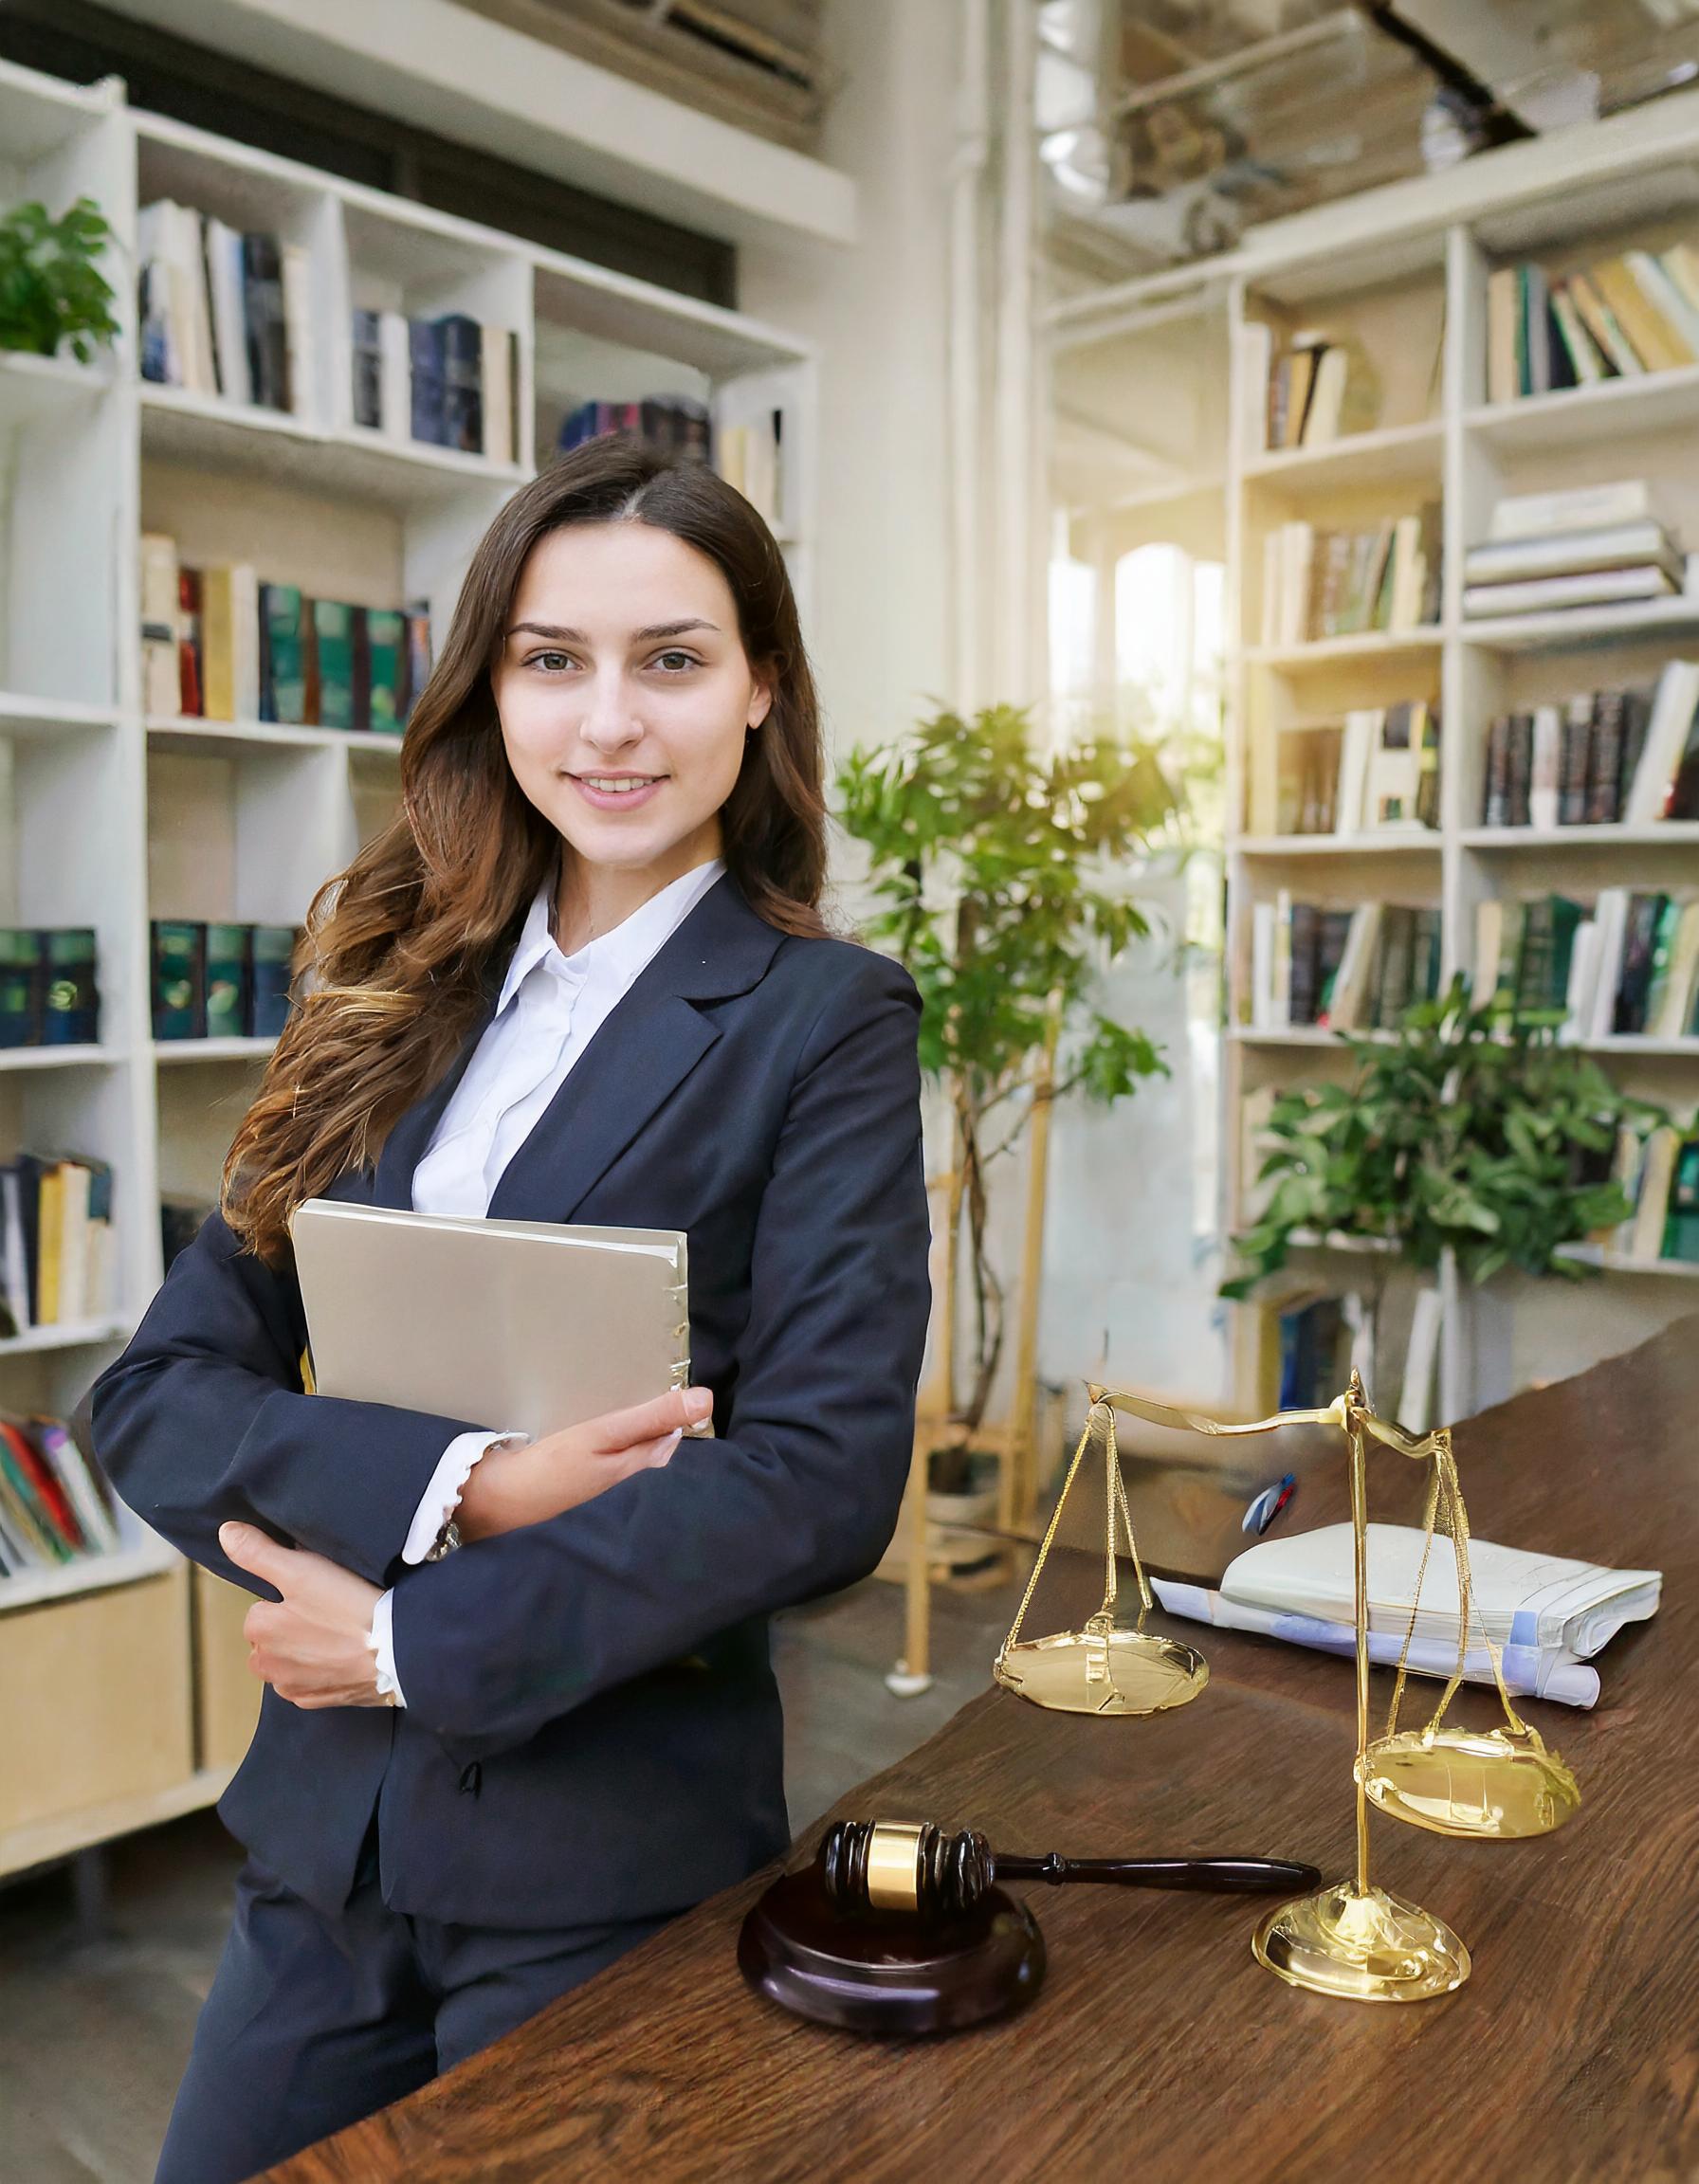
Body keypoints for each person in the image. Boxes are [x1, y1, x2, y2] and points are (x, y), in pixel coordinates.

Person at [90, 435, 933, 2184]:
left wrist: (403, 1640)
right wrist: (464, 1485)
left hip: (599, 1858)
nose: (607, 722)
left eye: (673, 661)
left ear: (762, 687)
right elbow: (159, 1387)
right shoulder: (382, 992)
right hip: (320, 1847)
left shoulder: (825, 1019)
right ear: (493, 687)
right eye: (554, 661)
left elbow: (822, 1475)